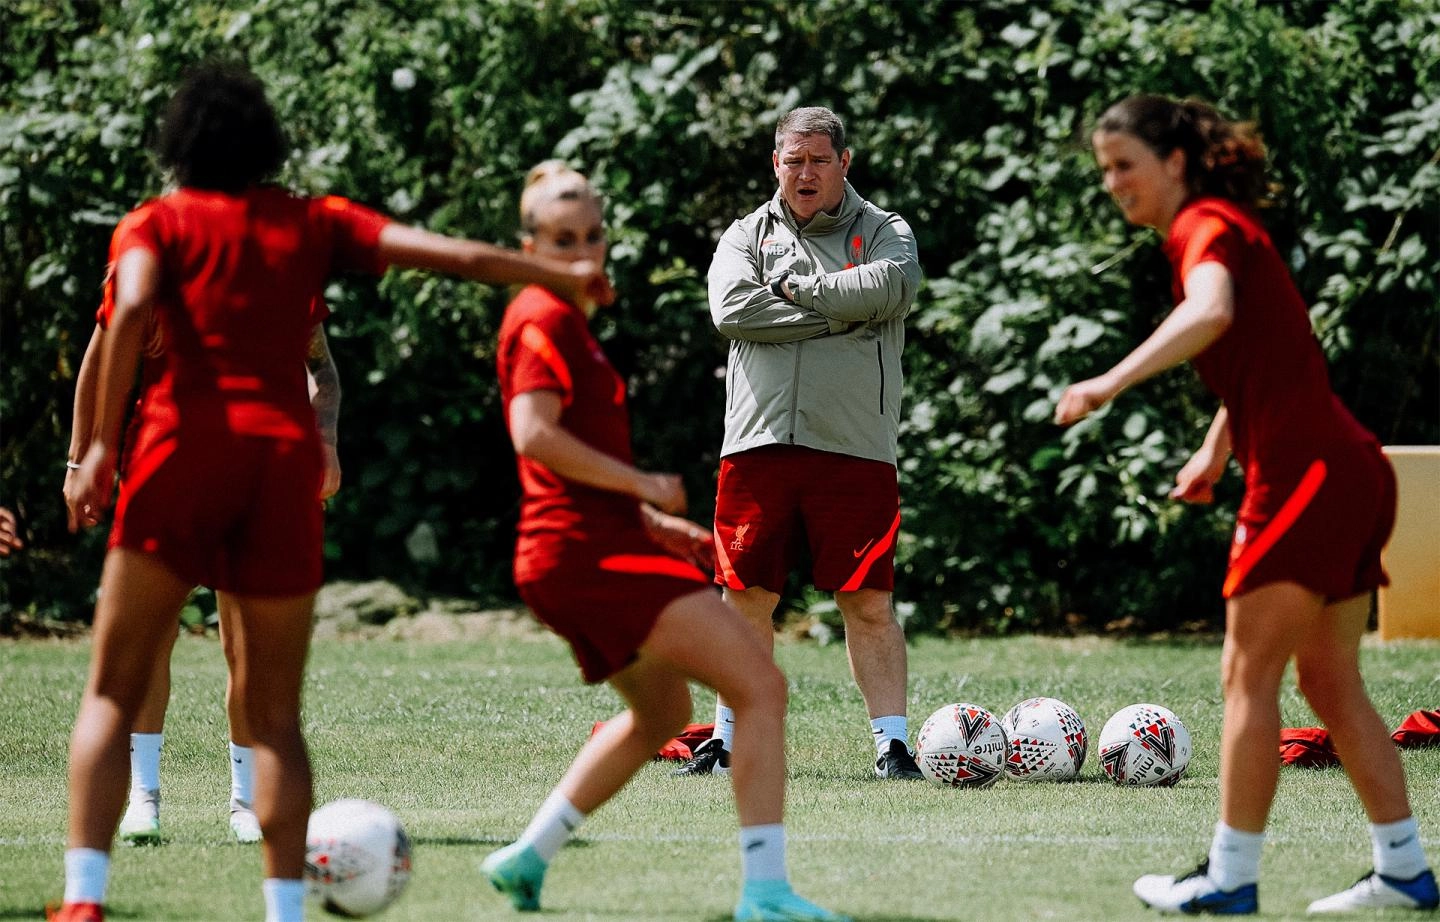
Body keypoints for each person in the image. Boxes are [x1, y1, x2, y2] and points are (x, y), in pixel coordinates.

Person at [52, 62, 613, 922]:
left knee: (110, 690)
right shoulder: (309, 222)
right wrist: (551, 276)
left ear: (178, 144)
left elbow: (126, 316)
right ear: (267, 143)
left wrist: (93, 451)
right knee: (276, 714)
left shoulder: (153, 224)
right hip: (280, 465)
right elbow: (447, 252)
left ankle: (85, 899)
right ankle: (283, 910)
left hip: (178, 456)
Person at [1055, 93, 1437, 916]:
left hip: (1307, 475)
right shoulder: (1223, 228)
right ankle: (1405, 870)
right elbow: (1269, 347)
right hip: (1346, 468)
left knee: (1245, 675)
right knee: (1332, 683)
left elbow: (1214, 312)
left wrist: (1109, 382)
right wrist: (1216, 448)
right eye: (1105, 171)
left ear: (1176, 163)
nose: (1115, 183)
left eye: (1126, 165)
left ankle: (1229, 879)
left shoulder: (1205, 229)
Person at [478, 161, 846, 922]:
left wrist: (657, 526)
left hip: (581, 547)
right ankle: (766, 894)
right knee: (759, 686)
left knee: (660, 713)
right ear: (527, 244)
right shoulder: (540, 318)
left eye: (592, 236)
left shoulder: (564, 316)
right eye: (560, 239)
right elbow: (533, 436)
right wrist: (644, 486)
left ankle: (525, 858)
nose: (582, 254)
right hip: (583, 554)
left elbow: (567, 470)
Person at [683, 106, 924, 780]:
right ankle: (727, 741)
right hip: (757, 445)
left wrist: (797, 294)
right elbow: (732, 309)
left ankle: (892, 747)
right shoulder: (745, 235)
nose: (807, 172)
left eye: (820, 159)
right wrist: (839, 317)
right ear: (776, 164)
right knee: (745, 598)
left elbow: (891, 285)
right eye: (795, 160)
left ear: (844, 163)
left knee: (866, 599)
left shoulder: (884, 231)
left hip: (855, 445)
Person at [64, 303, 343, 847]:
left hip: (262, 467)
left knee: (247, 647)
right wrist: (82, 459)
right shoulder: (150, 255)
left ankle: (245, 801)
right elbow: (97, 364)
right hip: (164, 461)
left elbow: (321, 366)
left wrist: (326, 440)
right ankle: (143, 798)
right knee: (147, 642)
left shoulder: (280, 252)